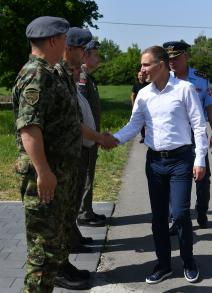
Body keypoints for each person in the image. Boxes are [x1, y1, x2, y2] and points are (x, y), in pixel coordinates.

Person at [113, 46, 208, 284]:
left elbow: (198, 125)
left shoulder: (184, 89)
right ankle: (164, 264)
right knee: (158, 217)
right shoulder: (144, 94)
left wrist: (200, 159)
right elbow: (134, 126)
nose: (142, 69)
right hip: (155, 162)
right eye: (141, 65)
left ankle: (188, 260)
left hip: (181, 160)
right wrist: (111, 139)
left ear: (162, 64)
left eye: (146, 64)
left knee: (181, 214)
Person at [11, 16, 89, 292]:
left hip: (58, 173)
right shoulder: (37, 74)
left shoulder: (51, 71)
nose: (67, 45)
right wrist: (43, 172)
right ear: (55, 40)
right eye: (66, 39)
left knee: (54, 249)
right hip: (44, 178)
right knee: (42, 255)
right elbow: (29, 127)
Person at [54, 28, 117, 289]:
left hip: (73, 153)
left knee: (65, 213)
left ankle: (63, 262)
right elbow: (68, 122)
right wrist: (100, 138)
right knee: (55, 221)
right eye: (83, 50)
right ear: (67, 48)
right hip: (63, 158)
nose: (87, 55)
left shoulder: (67, 77)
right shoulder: (54, 76)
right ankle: (57, 269)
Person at [163, 41, 212, 229]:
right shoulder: (164, 79)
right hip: (174, 135)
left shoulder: (200, 79)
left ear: (186, 57)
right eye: (169, 59)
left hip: (197, 135)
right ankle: (174, 219)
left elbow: (210, 106)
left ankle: (201, 211)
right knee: (173, 178)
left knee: (203, 177)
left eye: (176, 58)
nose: (172, 62)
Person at [76, 40, 107, 227]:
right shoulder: (81, 77)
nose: (98, 58)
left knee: (89, 173)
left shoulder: (87, 77)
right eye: (95, 54)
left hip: (91, 136)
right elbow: (80, 110)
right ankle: (83, 212)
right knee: (86, 173)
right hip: (85, 138)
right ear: (85, 55)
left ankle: (87, 209)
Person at [130, 71, 149, 143]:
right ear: (138, 77)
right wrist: (133, 105)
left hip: (147, 105)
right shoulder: (136, 85)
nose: (141, 76)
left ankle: (150, 136)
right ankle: (143, 137)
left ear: (144, 76)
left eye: (142, 75)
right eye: (140, 75)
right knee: (141, 121)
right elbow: (132, 95)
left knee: (148, 121)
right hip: (139, 105)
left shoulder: (148, 84)